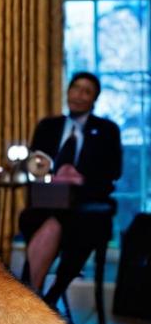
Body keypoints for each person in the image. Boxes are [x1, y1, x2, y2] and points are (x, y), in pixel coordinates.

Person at [20, 71, 122, 305]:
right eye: (75, 89)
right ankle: (40, 299)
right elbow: (35, 163)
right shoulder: (48, 126)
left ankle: (41, 294)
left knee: (77, 225)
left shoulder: (107, 130)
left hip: (87, 202)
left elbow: (114, 172)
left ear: (94, 99)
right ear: (67, 92)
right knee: (37, 218)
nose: (79, 95)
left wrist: (81, 178)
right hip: (50, 199)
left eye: (87, 92)